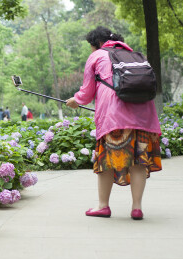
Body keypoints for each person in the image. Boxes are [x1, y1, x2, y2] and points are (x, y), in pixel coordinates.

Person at [66, 26, 162, 220]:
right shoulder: (134, 55)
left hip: (114, 116)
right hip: (143, 115)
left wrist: (75, 101)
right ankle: (136, 208)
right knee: (138, 162)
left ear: (97, 44)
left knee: (106, 161)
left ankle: (103, 206)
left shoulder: (97, 56)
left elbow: (86, 91)